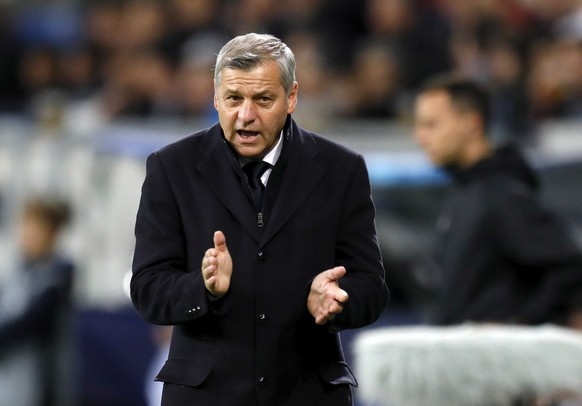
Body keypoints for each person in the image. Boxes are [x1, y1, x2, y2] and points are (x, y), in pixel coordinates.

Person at [130, 33, 389, 406]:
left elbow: (372, 287)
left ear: (292, 97)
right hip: (208, 397)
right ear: (216, 97)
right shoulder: (171, 168)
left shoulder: (341, 170)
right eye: (234, 99)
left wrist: (338, 301)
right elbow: (147, 289)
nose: (246, 115)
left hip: (307, 394)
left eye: (263, 99)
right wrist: (203, 289)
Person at [412, 74, 582, 326]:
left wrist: (520, 325)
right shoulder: (465, 189)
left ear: (472, 124)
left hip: (493, 361)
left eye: (431, 124)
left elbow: (569, 267)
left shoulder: (501, 194)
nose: (420, 137)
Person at [0, 197, 75, 406]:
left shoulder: (58, 275)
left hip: (41, 385)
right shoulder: (15, 271)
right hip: (9, 384)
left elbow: (30, 322)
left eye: (37, 228)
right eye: (26, 226)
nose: (28, 235)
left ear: (52, 234)